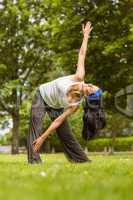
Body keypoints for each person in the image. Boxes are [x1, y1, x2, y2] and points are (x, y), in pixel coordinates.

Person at [27, 21, 99, 164]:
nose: (89, 84)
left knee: (65, 133)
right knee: (36, 125)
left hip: (56, 107)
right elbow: (82, 54)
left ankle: (81, 160)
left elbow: (57, 121)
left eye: (91, 89)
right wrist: (86, 36)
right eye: (92, 84)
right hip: (41, 96)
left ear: (88, 95)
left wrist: (43, 138)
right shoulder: (79, 76)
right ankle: (34, 161)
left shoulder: (75, 104)